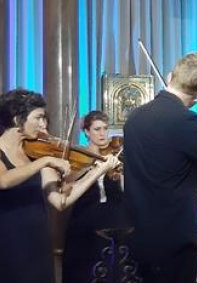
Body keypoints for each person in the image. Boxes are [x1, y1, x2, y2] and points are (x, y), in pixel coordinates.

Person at [0, 89, 121, 283]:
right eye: (38, 118)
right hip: (3, 242)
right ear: (18, 118)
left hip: (36, 241)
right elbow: (3, 180)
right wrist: (45, 161)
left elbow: (61, 201)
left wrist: (97, 171)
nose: (43, 124)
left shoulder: (35, 153)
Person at [124, 53, 197, 283]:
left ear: (170, 76)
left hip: (138, 235)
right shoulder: (186, 121)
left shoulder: (135, 118)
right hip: (173, 240)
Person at [62, 110, 128, 283]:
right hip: (86, 217)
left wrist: (121, 172)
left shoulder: (114, 155)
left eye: (105, 129)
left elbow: (123, 190)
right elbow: (68, 181)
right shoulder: (78, 155)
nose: (102, 133)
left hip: (113, 216)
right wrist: (92, 166)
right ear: (86, 132)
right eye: (97, 129)